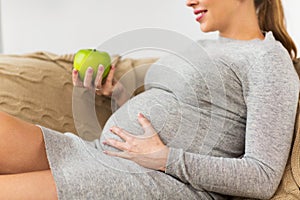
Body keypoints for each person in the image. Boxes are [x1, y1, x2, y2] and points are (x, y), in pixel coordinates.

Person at [0, 0, 299, 199]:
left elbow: (262, 176)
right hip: (105, 154)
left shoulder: (268, 59)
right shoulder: (206, 44)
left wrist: (165, 159)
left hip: (160, 182)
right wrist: (115, 94)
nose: (189, 1)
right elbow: (180, 110)